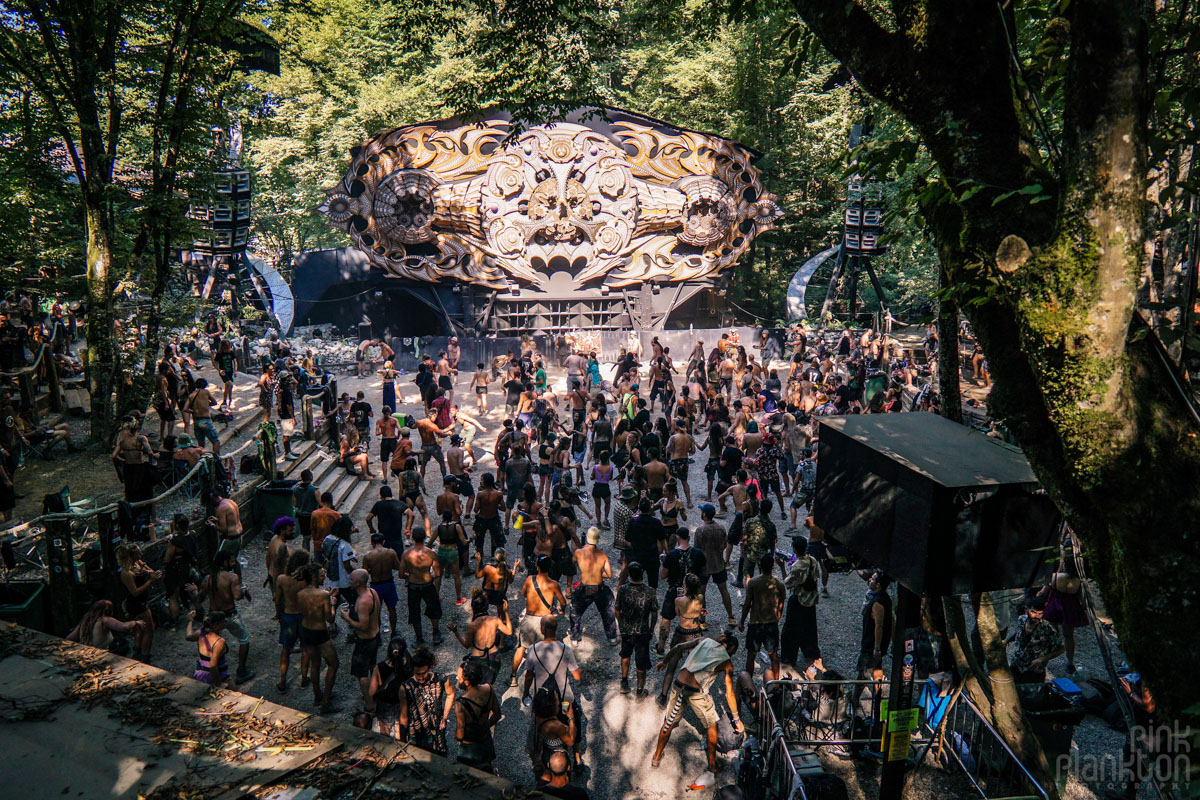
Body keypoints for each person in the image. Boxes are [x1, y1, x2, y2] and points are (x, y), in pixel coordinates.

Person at [651, 634, 743, 772]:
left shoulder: (704, 640)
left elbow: (678, 647)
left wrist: (665, 661)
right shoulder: (727, 662)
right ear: (731, 649)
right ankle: (712, 765)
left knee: (669, 721)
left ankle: (657, 757)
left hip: (678, 684)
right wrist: (736, 719)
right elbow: (729, 693)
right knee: (711, 725)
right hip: (697, 692)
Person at [203, 549, 256, 683]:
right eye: (232, 561)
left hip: (213, 616)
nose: (233, 564)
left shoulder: (208, 578)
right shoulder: (232, 578)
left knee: (212, 643)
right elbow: (237, 597)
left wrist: (192, 592)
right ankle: (241, 671)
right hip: (229, 616)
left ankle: (209, 670)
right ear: (224, 562)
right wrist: (243, 590)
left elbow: (198, 599)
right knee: (244, 639)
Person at [513, 556, 566, 686]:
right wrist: (560, 609)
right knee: (545, 651)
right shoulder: (554, 584)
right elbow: (563, 602)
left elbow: (523, 593)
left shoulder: (529, 580)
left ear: (537, 567)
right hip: (545, 622)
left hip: (529, 619)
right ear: (550, 567)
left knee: (521, 648)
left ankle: (513, 677)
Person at [297, 562, 339, 712]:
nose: (324, 577)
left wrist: (328, 595)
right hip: (320, 633)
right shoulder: (322, 595)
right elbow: (330, 619)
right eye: (322, 575)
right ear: (314, 577)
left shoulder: (300, 594)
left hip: (305, 631)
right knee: (333, 664)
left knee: (315, 663)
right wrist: (333, 603)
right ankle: (326, 702)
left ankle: (317, 696)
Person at [1039, 544, 1088, 674]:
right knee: (1068, 635)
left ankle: (1045, 659)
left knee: (1050, 633)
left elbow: (1044, 592)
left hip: (1055, 606)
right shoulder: (1078, 579)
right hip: (1070, 607)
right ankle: (1070, 662)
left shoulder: (1055, 576)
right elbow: (1081, 597)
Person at [399, 646, 455, 756]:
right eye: (417, 673)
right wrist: (402, 741)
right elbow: (404, 716)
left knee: (439, 756)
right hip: (416, 730)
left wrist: (444, 717)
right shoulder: (405, 687)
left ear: (429, 668)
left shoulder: (440, 679)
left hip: (436, 727)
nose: (420, 677)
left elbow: (451, 694)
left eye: (423, 673)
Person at [449, 589, 513, 686]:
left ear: (473, 607)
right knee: (489, 685)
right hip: (494, 656)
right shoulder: (495, 620)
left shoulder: (473, 625)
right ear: (486, 606)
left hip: (478, 658)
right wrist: (506, 612)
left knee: (476, 684)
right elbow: (509, 631)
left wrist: (456, 632)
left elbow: (466, 645)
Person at [339, 568, 382, 713]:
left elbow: (363, 626)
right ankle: (377, 692)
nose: (348, 581)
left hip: (365, 641)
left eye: (351, 579)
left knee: (361, 673)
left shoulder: (363, 601)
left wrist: (347, 618)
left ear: (358, 583)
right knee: (372, 665)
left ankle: (370, 705)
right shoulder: (373, 592)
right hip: (375, 636)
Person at [567, 526, 618, 645]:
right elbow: (609, 574)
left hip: (584, 587)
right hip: (599, 587)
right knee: (608, 611)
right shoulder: (602, 555)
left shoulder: (578, 553)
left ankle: (574, 638)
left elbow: (573, 563)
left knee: (575, 611)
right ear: (598, 539)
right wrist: (598, 573)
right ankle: (612, 638)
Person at [615, 561, 658, 696]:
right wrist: (651, 629)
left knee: (625, 654)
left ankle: (624, 682)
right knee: (641, 661)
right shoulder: (650, 591)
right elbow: (654, 613)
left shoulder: (622, 590)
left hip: (626, 630)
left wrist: (621, 623)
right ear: (642, 574)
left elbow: (617, 610)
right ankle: (639, 690)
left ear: (629, 575)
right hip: (642, 631)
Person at [740, 552, 785, 677]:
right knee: (773, 655)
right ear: (773, 567)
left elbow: (747, 603)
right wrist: (778, 617)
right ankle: (775, 683)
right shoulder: (779, 584)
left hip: (755, 624)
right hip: (771, 624)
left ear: (759, 565)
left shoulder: (753, 583)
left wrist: (741, 621)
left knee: (751, 655)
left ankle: (748, 685)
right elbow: (781, 604)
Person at [273, 549, 312, 693]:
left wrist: (278, 614)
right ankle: (303, 677)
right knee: (305, 647)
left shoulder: (282, 579)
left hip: (288, 616)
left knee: (286, 648)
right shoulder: (306, 579)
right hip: (303, 616)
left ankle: (282, 680)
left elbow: (278, 600)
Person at [781, 538, 823, 669]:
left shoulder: (798, 566)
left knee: (790, 630)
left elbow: (787, 583)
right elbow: (816, 576)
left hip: (799, 600)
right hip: (811, 599)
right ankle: (811, 651)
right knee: (809, 627)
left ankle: (789, 657)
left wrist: (782, 567)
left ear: (794, 549)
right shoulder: (812, 560)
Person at [455, 659, 501, 771]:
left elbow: (460, 734)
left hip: (470, 748)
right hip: (485, 739)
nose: (457, 678)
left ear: (467, 682)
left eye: (459, 677)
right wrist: (485, 726)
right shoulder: (489, 689)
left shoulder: (460, 704)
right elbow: (497, 715)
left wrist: (456, 736)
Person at [399, 527, 443, 645]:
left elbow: (401, 574)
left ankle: (419, 638)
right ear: (424, 538)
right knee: (433, 608)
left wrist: (410, 575)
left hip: (413, 586)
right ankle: (436, 633)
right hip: (428, 584)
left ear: (413, 538)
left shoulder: (406, 554)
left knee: (414, 611)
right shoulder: (431, 553)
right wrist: (430, 576)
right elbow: (438, 573)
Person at [1006, 596, 1065, 683]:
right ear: (1027, 610)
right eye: (1033, 612)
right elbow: (1019, 633)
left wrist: (1042, 659)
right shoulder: (1021, 619)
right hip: (1017, 665)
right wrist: (1007, 640)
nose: (1037, 616)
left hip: (1034, 670)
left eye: (1040, 613)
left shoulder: (1048, 629)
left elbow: (1062, 648)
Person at [116, 543, 159, 661]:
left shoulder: (137, 563)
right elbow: (134, 592)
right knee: (149, 630)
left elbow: (151, 571)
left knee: (140, 629)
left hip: (142, 601)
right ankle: (145, 655)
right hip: (137, 604)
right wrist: (150, 581)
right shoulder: (126, 573)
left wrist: (145, 571)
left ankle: (137, 652)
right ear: (130, 556)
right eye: (138, 553)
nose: (141, 555)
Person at [371, 636, 413, 739]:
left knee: (383, 739)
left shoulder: (379, 667)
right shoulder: (409, 667)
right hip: (403, 708)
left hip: (384, 708)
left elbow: (371, 691)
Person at [67, 599, 145, 653]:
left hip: (86, 652)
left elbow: (69, 638)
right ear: (107, 610)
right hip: (99, 655)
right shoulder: (104, 620)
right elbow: (124, 627)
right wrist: (136, 622)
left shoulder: (85, 620)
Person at [363, 533, 402, 634]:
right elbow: (398, 567)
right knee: (392, 609)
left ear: (372, 543)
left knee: (376, 612)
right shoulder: (391, 552)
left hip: (375, 585)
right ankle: (393, 632)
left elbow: (364, 573)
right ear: (383, 542)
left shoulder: (368, 556)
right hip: (388, 583)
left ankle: (377, 634)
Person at [858, 570, 894, 676]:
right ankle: (879, 691)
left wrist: (877, 648)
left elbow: (879, 625)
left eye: (872, 579)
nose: (870, 580)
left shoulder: (877, 602)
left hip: (871, 645)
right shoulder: (886, 598)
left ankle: (860, 692)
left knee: (864, 673)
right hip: (878, 644)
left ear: (878, 585)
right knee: (877, 668)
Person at [185, 611, 234, 689]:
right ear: (216, 625)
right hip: (216, 674)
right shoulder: (219, 642)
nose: (226, 621)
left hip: (200, 673)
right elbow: (213, 665)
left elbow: (188, 636)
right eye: (223, 621)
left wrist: (190, 621)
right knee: (234, 695)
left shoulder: (201, 633)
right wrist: (219, 683)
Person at [206, 488, 244, 560]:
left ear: (212, 498)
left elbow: (224, 529)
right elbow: (232, 520)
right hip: (239, 536)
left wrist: (212, 525)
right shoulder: (230, 501)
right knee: (233, 560)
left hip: (230, 539)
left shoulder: (221, 508)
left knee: (218, 561)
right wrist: (217, 519)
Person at [264, 516, 296, 593]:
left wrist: (269, 574)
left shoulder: (274, 538)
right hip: (279, 580)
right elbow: (279, 566)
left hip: (272, 576)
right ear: (282, 531)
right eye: (290, 530)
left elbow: (267, 559)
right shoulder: (282, 547)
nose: (293, 532)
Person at [291, 469, 320, 551]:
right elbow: (321, 503)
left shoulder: (295, 490)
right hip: (313, 516)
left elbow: (295, 504)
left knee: (306, 538)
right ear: (311, 477)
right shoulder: (315, 490)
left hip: (302, 516)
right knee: (317, 538)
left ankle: (306, 557)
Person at [309, 491, 340, 556]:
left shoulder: (314, 514)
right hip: (332, 545)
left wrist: (315, 540)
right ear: (331, 501)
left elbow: (312, 529)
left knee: (319, 564)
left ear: (321, 501)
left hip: (318, 544)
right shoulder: (336, 515)